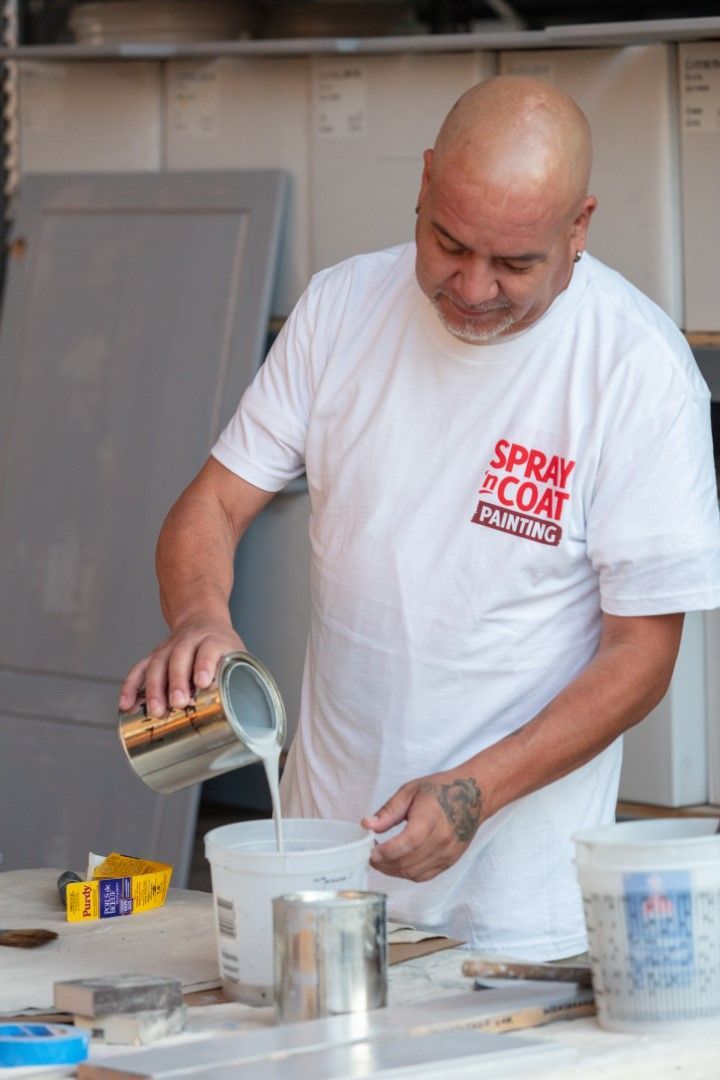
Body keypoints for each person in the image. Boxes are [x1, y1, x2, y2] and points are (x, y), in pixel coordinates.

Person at [120, 75, 720, 960]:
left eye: (515, 263)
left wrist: (476, 789)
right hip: (319, 876)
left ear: (580, 227)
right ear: (425, 180)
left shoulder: (636, 371)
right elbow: (212, 502)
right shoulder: (339, 311)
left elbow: (642, 657)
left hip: (519, 912)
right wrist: (201, 617)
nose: (472, 287)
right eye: (447, 243)